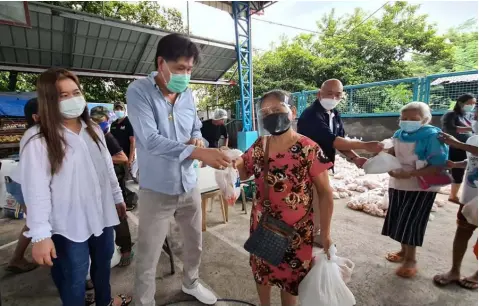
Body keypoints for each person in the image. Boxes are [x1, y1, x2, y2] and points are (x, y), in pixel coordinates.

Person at [127, 33, 231, 306]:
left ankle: (191, 282)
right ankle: (144, 301)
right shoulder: (139, 92)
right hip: (156, 188)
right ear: (161, 63)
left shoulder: (187, 95)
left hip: (188, 183)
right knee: (149, 253)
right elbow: (149, 140)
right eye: (180, 68)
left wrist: (198, 140)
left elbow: (196, 129)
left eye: (189, 69)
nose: (185, 75)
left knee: (194, 243)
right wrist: (197, 151)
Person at [17, 68, 131, 306]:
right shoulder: (37, 138)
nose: (72, 99)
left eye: (75, 92)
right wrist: (40, 236)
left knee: (103, 268)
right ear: (48, 100)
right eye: (62, 95)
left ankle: (105, 302)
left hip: (101, 215)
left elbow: (107, 168)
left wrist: (117, 197)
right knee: (74, 280)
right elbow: (36, 190)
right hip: (67, 226)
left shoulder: (93, 130)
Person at [234, 90, 334, 306]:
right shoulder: (260, 145)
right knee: (262, 272)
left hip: (297, 231)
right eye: (265, 112)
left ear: (292, 112)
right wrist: (233, 160)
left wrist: (325, 233)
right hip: (264, 225)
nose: (271, 115)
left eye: (277, 110)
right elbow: (244, 172)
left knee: (291, 280)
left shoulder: (308, 148)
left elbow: (325, 193)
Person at [297, 79, 383, 234]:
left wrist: (355, 158)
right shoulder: (311, 115)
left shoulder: (335, 114)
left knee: (319, 201)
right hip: (307, 166)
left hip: (323, 165)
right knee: (313, 201)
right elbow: (334, 141)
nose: (333, 98)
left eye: (338, 95)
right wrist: (365, 145)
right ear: (319, 94)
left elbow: (340, 140)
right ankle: (309, 235)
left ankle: (313, 232)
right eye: (329, 94)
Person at [381, 101, 448, 278]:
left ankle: (411, 259)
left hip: (422, 185)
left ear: (425, 120)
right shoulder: (398, 134)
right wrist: (387, 165)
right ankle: (403, 251)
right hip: (399, 183)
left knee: (412, 220)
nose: (408, 121)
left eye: (413, 118)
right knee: (399, 218)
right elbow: (391, 154)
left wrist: (411, 174)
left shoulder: (433, 136)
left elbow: (438, 165)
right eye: (404, 118)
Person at [434, 106, 478, 290]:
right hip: (470, 195)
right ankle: (454, 270)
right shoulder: (474, 137)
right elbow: (473, 159)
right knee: (462, 230)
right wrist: (456, 164)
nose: (474, 116)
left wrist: (458, 144)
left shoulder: (469, 141)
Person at [90, 106, 135, 267]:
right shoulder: (92, 136)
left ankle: (126, 249)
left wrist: (103, 158)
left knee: (119, 216)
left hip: (115, 180)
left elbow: (122, 158)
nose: (99, 124)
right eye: (95, 121)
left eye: (101, 121)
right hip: (100, 184)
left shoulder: (107, 136)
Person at [4, 98, 39, 274]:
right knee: (35, 221)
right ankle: (17, 258)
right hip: (23, 184)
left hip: (19, 182)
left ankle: (18, 258)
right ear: (36, 116)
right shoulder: (35, 135)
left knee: (35, 221)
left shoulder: (34, 132)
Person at [441, 93, 476, 204]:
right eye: (469, 103)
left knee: (461, 168)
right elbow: (450, 129)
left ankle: (454, 193)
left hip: (465, 147)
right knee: (457, 170)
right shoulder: (451, 114)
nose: (472, 105)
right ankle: (453, 195)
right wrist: (472, 127)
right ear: (461, 103)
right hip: (455, 146)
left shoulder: (465, 115)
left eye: (474, 103)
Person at [111, 102, 136, 168]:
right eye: (117, 109)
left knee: (128, 177)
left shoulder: (129, 122)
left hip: (127, 158)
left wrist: (130, 159)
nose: (119, 111)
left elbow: (132, 142)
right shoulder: (113, 124)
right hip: (116, 157)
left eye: (121, 109)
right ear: (114, 111)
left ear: (125, 110)